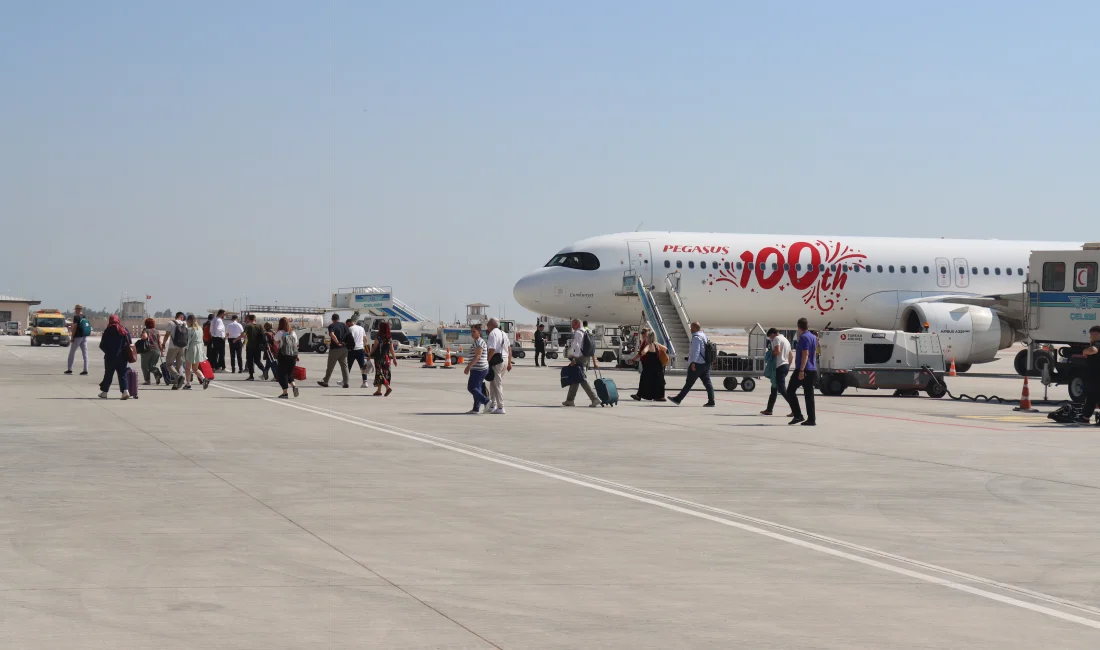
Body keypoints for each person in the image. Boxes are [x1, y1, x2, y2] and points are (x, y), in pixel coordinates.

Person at [670, 322, 716, 407]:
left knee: (689, 383)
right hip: (705, 364)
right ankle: (711, 401)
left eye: (691, 327)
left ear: (695, 328)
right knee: (708, 383)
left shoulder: (696, 338)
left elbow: (696, 351)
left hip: (698, 364)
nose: (690, 329)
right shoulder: (704, 336)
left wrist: (693, 362)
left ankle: (678, 399)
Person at [785, 317, 818, 426]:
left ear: (799, 327)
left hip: (803, 369)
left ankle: (798, 415)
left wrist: (801, 370)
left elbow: (805, 353)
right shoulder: (813, 337)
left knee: (790, 391)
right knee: (809, 395)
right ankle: (811, 419)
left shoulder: (803, 338)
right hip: (812, 369)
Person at [562, 318, 600, 407]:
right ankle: (570, 400)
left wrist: (574, 360)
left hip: (580, 357)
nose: (572, 326)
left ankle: (595, 399)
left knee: (582, 379)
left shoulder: (578, 333)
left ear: (577, 324)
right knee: (575, 378)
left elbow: (577, 347)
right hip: (586, 357)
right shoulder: (586, 331)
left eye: (573, 324)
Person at [98, 315, 132, 400]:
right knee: (122, 374)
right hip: (122, 357)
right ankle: (125, 391)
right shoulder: (124, 329)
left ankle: (104, 392)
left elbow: (102, 345)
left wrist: (108, 352)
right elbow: (130, 342)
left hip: (110, 357)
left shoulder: (107, 330)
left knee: (108, 375)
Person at [761, 328, 792, 415]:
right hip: (785, 365)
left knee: (782, 389)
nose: (771, 339)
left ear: (773, 334)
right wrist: (788, 366)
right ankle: (769, 409)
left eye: (770, 337)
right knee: (774, 388)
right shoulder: (786, 340)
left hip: (779, 366)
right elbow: (791, 355)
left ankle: (795, 409)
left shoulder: (776, 338)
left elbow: (777, 351)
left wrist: (770, 354)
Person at [630, 330, 667, 402]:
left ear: (649, 338)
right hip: (658, 366)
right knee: (658, 381)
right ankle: (660, 397)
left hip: (649, 366)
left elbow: (643, 351)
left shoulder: (649, 345)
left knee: (644, 380)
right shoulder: (657, 345)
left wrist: (643, 352)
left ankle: (639, 395)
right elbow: (665, 349)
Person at [485, 318, 511, 414]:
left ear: (492, 324)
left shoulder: (493, 333)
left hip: (497, 361)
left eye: (488, 324)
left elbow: (492, 349)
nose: (487, 326)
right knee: (493, 383)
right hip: (505, 359)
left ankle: (501, 407)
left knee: (497, 384)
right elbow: (509, 349)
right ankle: (493, 405)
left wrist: (487, 361)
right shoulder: (503, 333)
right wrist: (509, 362)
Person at [464, 323, 491, 414]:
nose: (472, 333)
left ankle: (486, 401)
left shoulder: (479, 342)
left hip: (479, 369)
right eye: (471, 331)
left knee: (471, 387)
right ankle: (476, 408)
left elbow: (478, 356)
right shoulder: (478, 341)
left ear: (479, 332)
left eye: (474, 331)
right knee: (477, 388)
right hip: (478, 368)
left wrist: (468, 367)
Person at [318, 312, 350, 388]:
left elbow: (332, 334)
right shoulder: (344, 325)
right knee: (344, 366)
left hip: (335, 349)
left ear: (332, 319)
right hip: (344, 348)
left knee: (330, 366)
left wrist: (337, 342)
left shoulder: (332, 326)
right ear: (339, 319)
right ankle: (346, 382)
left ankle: (325, 381)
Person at [274, 317, 300, 399]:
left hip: (283, 355)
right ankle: (294, 386)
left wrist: (279, 343)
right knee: (289, 373)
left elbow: (275, 342)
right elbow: (296, 344)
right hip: (293, 355)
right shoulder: (293, 333)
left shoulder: (280, 332)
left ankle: (285, 393)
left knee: (282, 374)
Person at [161, 312, 189, 389]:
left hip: (173, 347)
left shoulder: (171, 323)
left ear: (176, 316)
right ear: (182, 317)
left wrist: (163, 344)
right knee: (179, 365)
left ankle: (178, 376)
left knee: (169, 364)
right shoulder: (185, 324)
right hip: (182, 347)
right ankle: (177, 384)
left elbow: (167, 334)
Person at [1078, 326, 1100, 422]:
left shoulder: (1097, 343)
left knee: (1092, 396)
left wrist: (1084, 351)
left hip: (1095, 376)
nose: (1090, 337)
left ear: (1097, 334)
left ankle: (1085, 417)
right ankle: (1085, 417)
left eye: (1091, 334)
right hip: (1095, 376)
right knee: (1093, 397)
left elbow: (1093, 350)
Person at [184, 314, 211, 390]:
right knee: (195, 368)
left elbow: (188, 341)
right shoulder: (199, 329)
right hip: (199, 348)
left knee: (187, 368)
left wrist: (185, 350)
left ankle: (188, 384)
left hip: (191, 348)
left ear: (189, 321)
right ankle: (203, 378)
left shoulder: (189, 329)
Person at [370, 320, 396, 396]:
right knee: (384, 373)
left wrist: (369, 355)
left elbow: (374, 348)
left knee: (379, 373)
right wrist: (394, 359)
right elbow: (392, 350)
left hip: (379, 358)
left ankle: (387, 387)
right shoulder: (389, 338)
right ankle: (379, 390)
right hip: (387, 358)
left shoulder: (378, 338)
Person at [65, 304, 90, 375]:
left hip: (78, 336)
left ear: (78, 309)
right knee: (85, 353)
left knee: (72, 353)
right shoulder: (84, 316)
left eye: (75, 309)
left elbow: (75, 327)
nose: (75, 310)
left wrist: (72, 337)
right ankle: (85, 370)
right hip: (84, 336)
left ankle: (70, 369)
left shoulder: (76, 317)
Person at [346, 318, 371, 388]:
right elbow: (365, 339)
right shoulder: (361, 328)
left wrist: (347, 347)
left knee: (348, 366)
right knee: (363, 366)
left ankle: (346, 381)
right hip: (361, 350)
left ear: (349, 323)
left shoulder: (350, 329)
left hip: (353, 350)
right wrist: (367, 351)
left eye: (347, 324)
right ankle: (365, 382)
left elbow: (351, 339)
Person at [138, 317, 163, 385]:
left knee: (144, 366)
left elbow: (144, 337)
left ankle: (148, 380)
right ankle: (157, 374)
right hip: (156, 350)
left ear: (146, 324)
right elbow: (159, 342)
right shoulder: (157, 331)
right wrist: (161, 351)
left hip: (147, 350)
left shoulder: (145, 330)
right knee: (152, 365)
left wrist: (142, 336)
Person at [242, 314, 266, 381]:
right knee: (257, 360)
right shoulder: (259, 326)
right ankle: (264, 370)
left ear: (249, 319)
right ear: (255, 319)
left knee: (250, 361)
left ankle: (251, 376)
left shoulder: (248, 326)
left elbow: (244, 334)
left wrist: (239, 338)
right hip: (258, 347)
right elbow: (263, 336)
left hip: (250, 346)